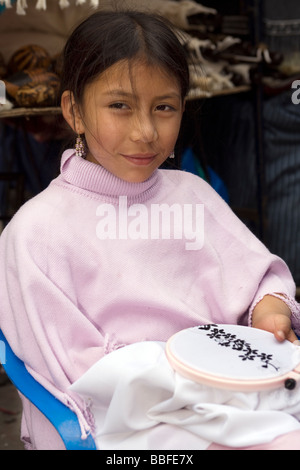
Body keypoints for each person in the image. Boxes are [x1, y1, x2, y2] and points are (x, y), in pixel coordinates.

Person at [0, 10, 299, 450]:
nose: (145, 131)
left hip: (226, 397)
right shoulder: (35, 231)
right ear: (74, 111)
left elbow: (258, 277)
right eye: (119, 105)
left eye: (164, 108)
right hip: (124, 423)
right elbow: (81, 376)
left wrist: (269, 311)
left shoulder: (191, 195)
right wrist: (198, 380)